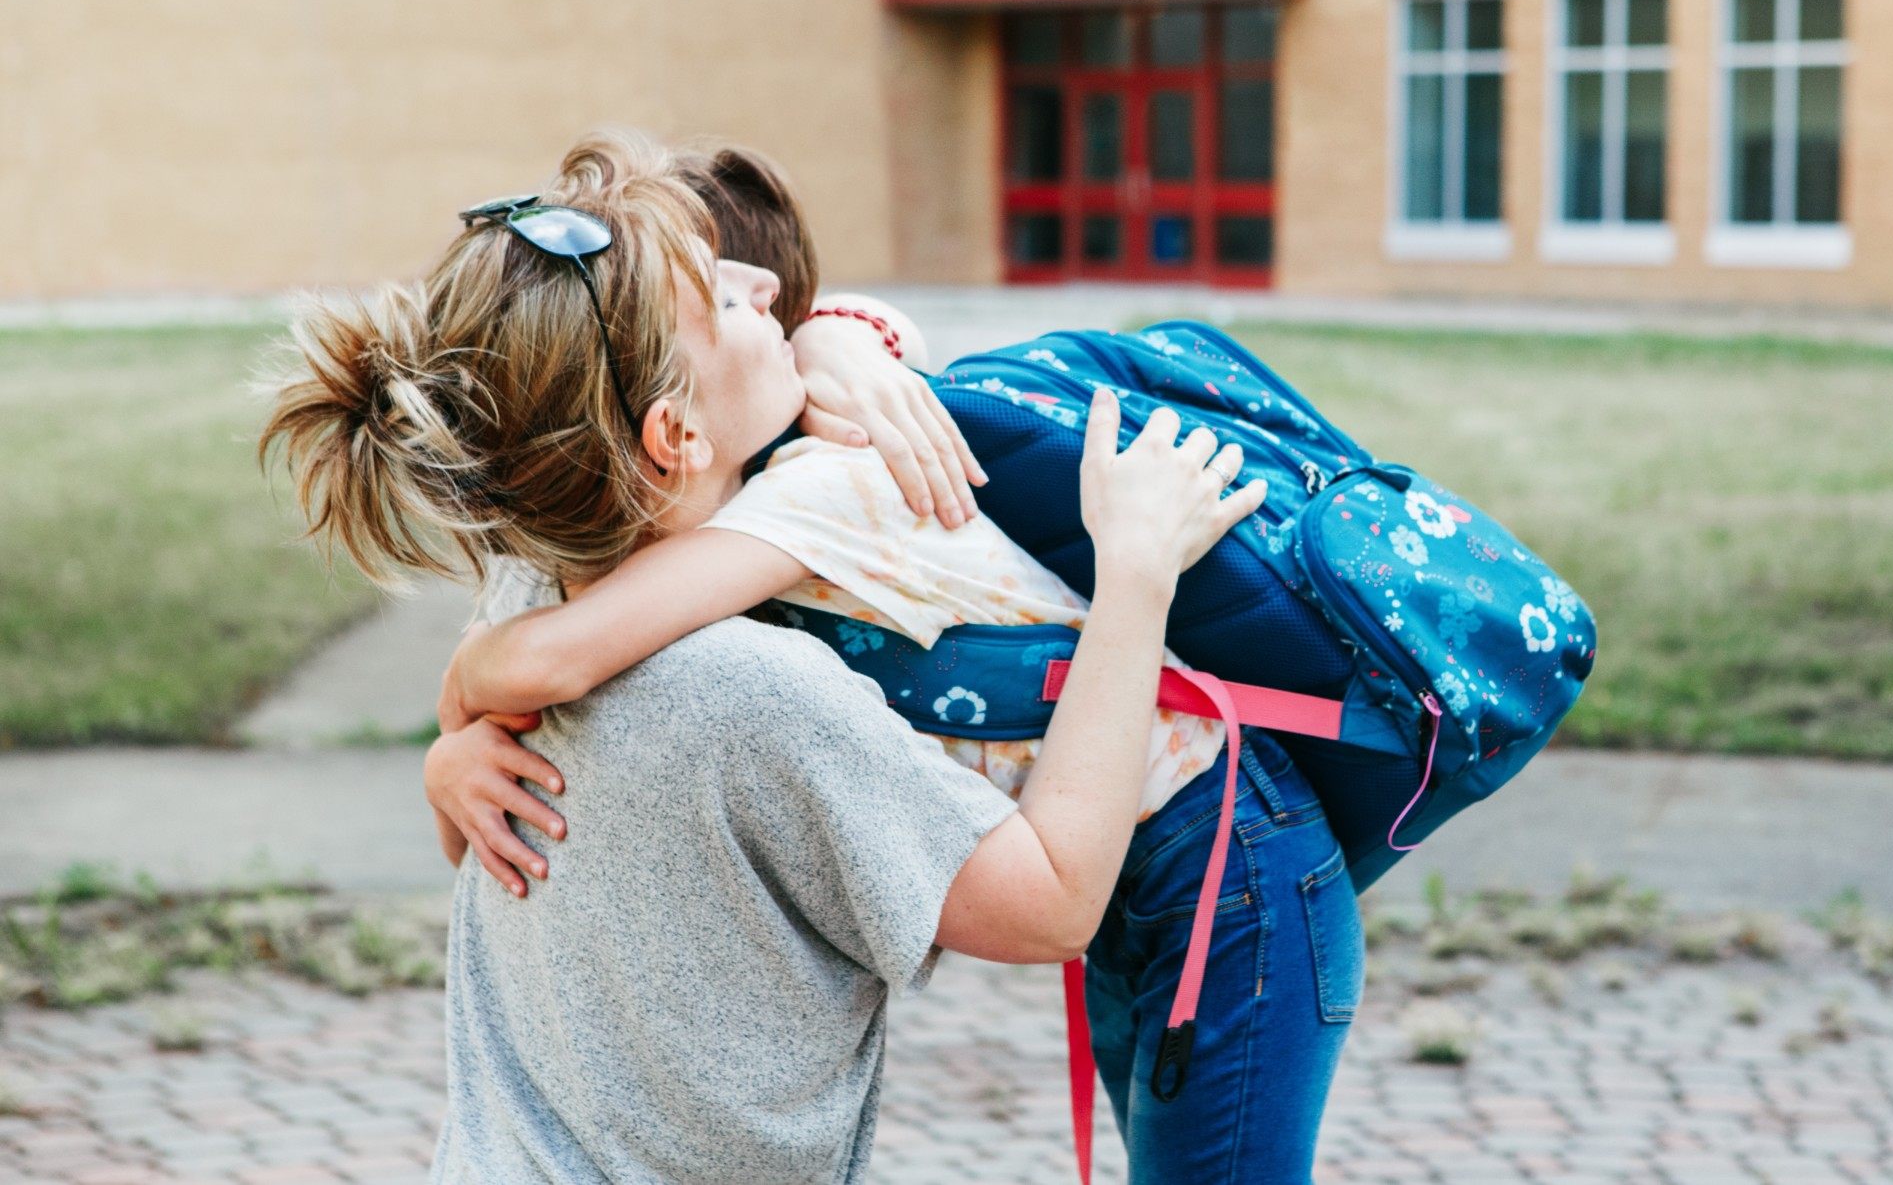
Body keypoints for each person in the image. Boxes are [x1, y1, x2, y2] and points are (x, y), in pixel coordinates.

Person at [258, 128, 1255, 1183]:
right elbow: (1050, 902)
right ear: (673, 437)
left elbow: (481, 842)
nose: (767, 284)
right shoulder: (756, 693)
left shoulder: (529, 589)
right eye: (726, 300)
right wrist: (1138, 575)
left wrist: (445, 750)